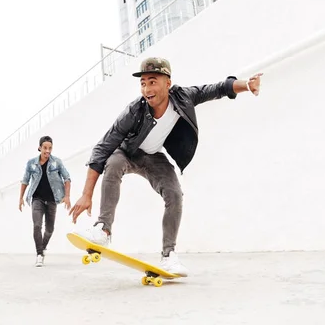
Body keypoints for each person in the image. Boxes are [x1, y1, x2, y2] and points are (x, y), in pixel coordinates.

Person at [69, 57, 263, 276]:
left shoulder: (184, 97)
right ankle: (103, 229)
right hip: (128, 152)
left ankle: (168, 255)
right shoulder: (133, 111)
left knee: (175, 194)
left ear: (167, 83)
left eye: (152, 82)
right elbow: (102, 149)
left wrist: (247, 85)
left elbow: (217, 88)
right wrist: (87, 194)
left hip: (153, 158)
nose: (146, 89)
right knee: (112, 163)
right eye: (142, 83)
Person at [20, 136, 72, 267]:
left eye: (50, 148)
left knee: (49, 229)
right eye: (45, 148)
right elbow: (25, 181)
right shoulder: (31, 163)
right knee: (37, 225)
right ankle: (39, 254)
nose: (47, 151)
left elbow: (67, 178)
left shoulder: (57, 162)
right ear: (39, 148)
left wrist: (67, 196)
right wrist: (20, 198)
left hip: (52, 200)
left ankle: (42, 248)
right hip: (37, 199)